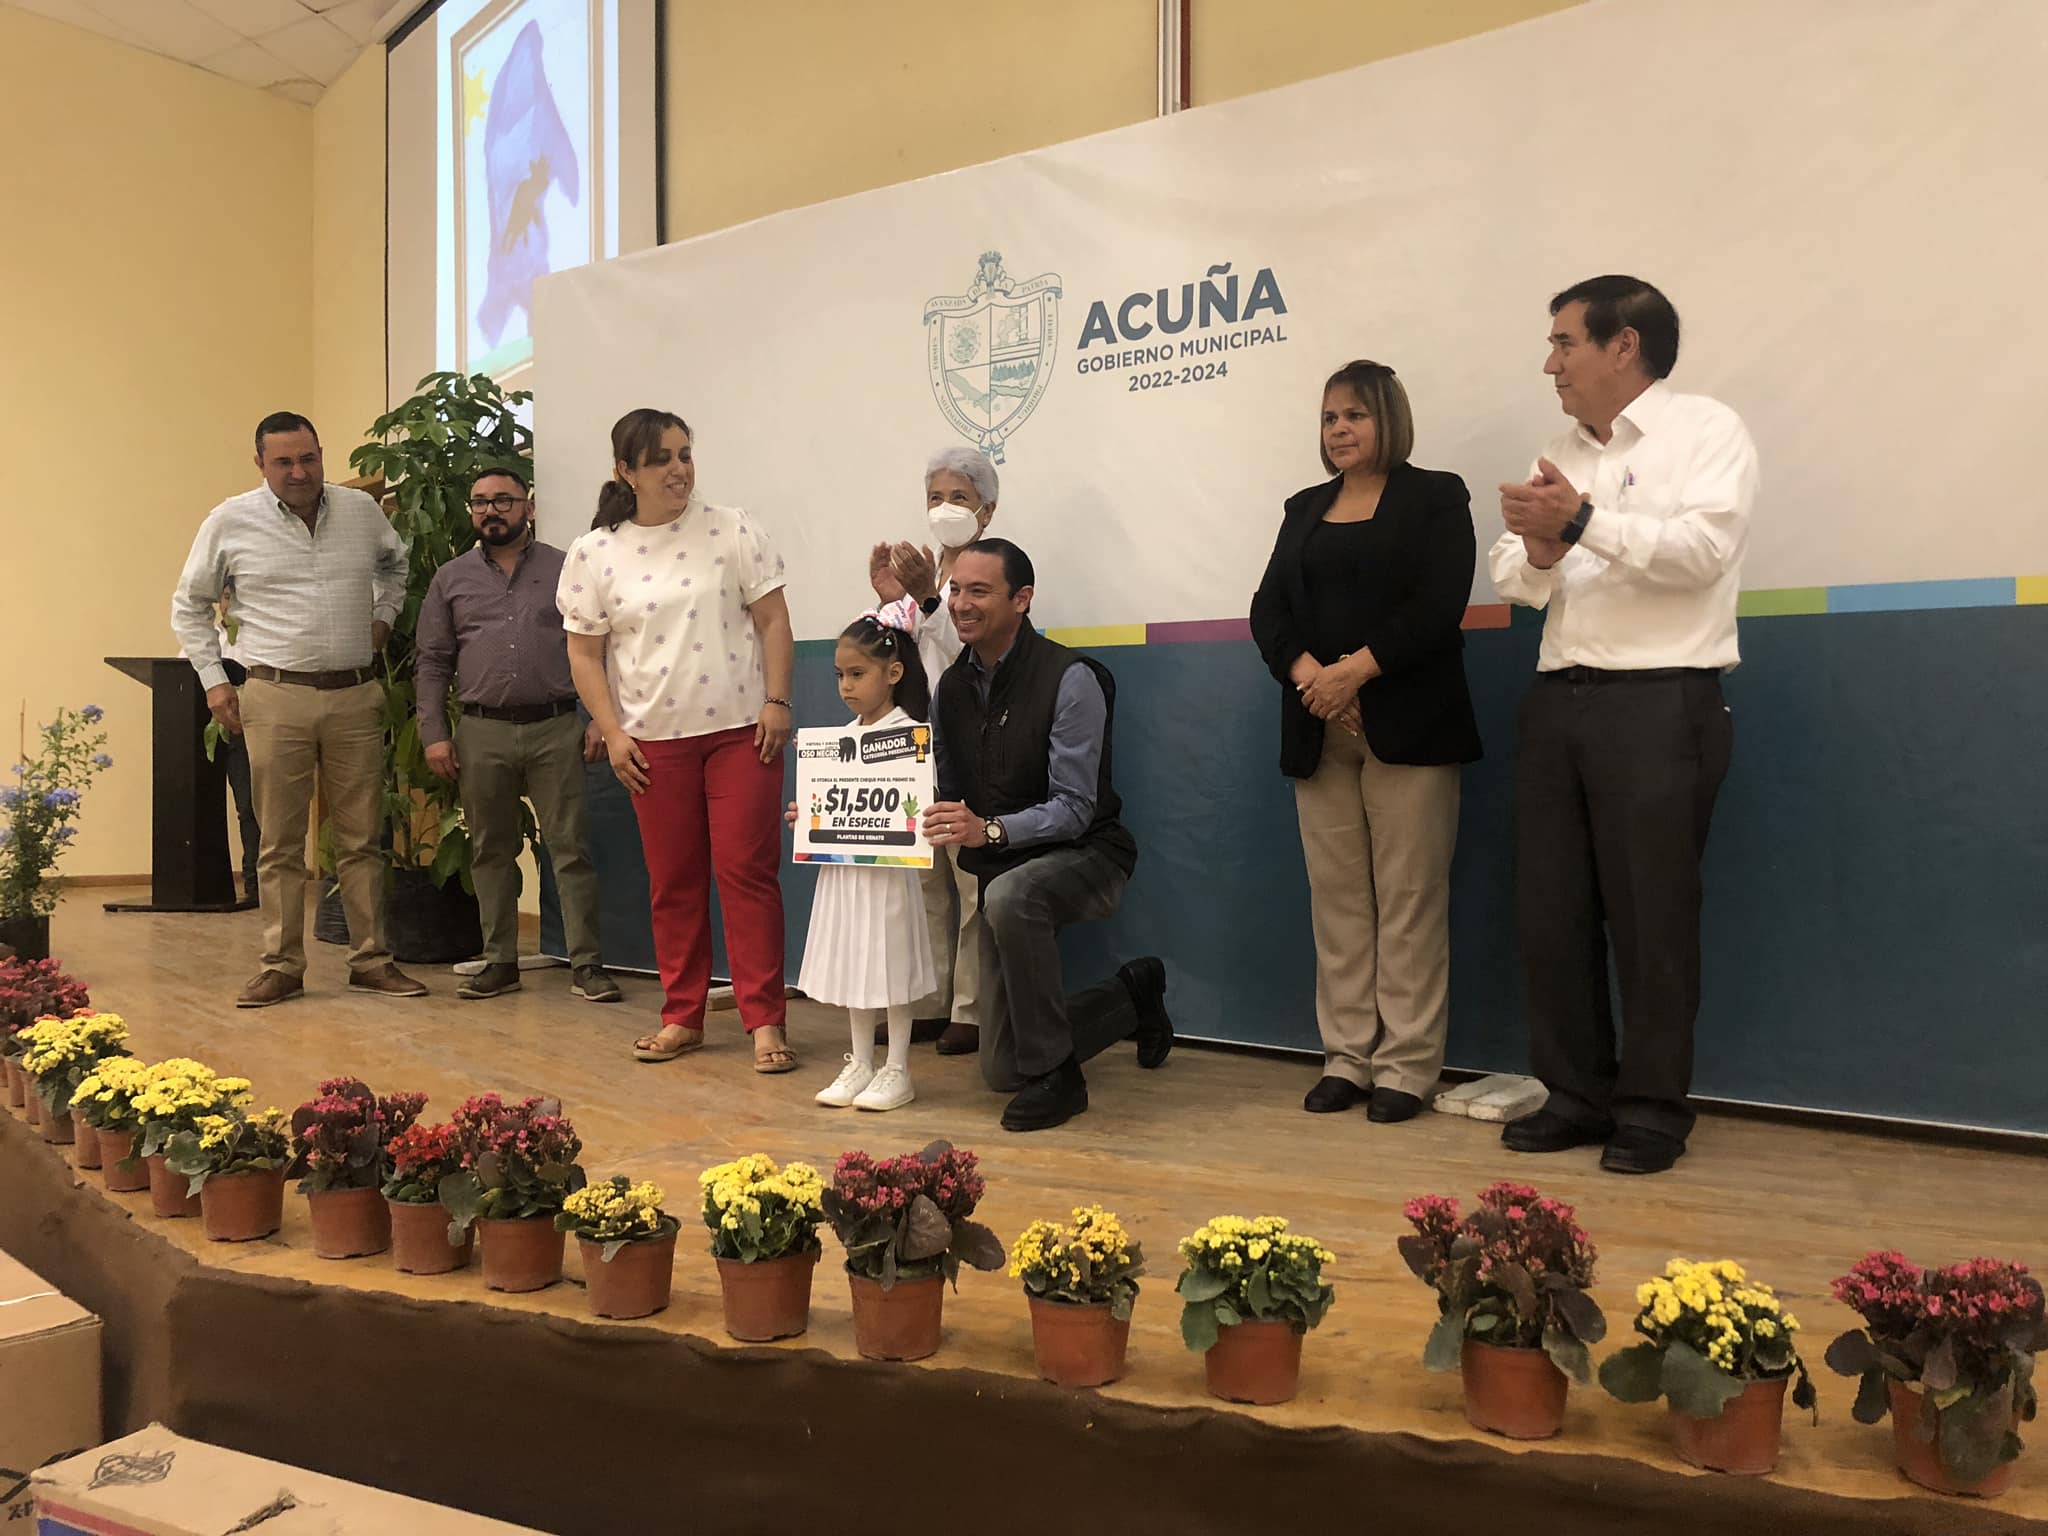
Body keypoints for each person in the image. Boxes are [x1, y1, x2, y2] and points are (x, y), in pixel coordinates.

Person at [1489, 275, 1757, 1175]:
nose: (1551, 364)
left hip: (1662, 699)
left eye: (1565, 342)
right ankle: (1574, 1094)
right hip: (1559, 696)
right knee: (1551, 912)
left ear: (1624, 345)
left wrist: (1584, 520)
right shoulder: (1559, 452)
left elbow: (1703, 553)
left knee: (1653, 917)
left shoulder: (1706, 431)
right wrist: (1539, 549)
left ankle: (1651, 1109)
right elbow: (1512, 574)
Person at [1250, 360, 1481, 1124]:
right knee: (1339, 902)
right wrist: (1313, 679)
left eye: (1355, 415)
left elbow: (1438, 606)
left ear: (1389, 419)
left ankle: (1407, 1067)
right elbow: (1268, 609)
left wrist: (1353, 673)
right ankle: (1346, 1059)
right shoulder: (1304, 508)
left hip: (1411, 726)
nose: (1340, 429)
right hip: (1318, 727)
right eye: (1329, 418)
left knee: (1410, 901)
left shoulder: (1437, 497)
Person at [559, 408, 797, 1071]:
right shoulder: (594, 553)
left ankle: (765, 1021)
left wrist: (778, 700)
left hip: (741, 734)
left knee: (747, 875)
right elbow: (584, 654)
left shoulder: (733, 528)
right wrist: (613, 733)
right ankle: (682, 1016)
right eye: (661, 458)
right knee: (674, 883)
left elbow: (773, 620)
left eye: (685, 454)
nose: (678, 469)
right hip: (652, 744)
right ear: (625, 472)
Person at [171, 411, 427, 1007]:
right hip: (275, 695)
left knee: (362, 838)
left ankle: (371, 961)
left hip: (355, 694)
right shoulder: (230, 519)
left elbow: (396, 564)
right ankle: (281, 965)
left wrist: (384, 616)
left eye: (308, 458)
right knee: (280, 841)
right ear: (260, 463)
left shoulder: (361, 511)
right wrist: (214, 681)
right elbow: (190, 604)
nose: (298, 471)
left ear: (321, 454)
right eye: (283, 461)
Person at [925, 537, 1173, 1132]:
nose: (960, 604)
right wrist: (829, 818)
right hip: (1003, 868)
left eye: (979, 590)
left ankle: (1061, 1081)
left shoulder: (1071, 677)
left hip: (1088, 855)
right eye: (955, 589)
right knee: (1003, 1068)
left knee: (1013, 897)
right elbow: (939, 797)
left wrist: (988, 830)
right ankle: (1132, 997)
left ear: (1022, 599)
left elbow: (1075, 809)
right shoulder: (949, 689)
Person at [415, 468, 622, 1005]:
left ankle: (587, 964)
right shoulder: (451, 579)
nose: (491, 511)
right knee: (490, 850)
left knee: (571, 849)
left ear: (528, 508)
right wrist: (435, 733)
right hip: (481, 730)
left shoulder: (565, 567)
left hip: (557, 726)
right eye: (480, 502)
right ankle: (500, 961)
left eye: (503, 500)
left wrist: (601, 718)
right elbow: (433, 661)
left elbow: (602, 645)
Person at [865, 446, 999, 1056]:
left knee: (970, 885)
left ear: (986, 510)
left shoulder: (993, 569)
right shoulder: (922, 577)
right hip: (912, 747)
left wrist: (926, 601)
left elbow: (972, 648)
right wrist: (888, 600)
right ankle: (926, 1004)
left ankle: (971, 1009)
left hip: (970, 747)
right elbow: (893, 658)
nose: (945, 508)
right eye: (935, 497)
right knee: (922, 887)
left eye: (959, 498)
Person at [794, 612, 937, 1112]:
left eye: (857, 674)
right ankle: (860, 1061)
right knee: (855, 956)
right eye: (840, 675)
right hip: (844, 869)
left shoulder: (910, 735)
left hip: (888, 874)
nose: (846, 686)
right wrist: (807, 814)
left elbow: (921, 801)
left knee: (890, 959)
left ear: (893, 673)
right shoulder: (839, 740)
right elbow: (827, 802)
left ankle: (897, 1067)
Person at [215, 584, 260, 902]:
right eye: (227, 597)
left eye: (236, 596)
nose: (230, 604)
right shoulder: (208, 640)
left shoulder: (257, 639)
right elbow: (178, 674)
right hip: (208, 735)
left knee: (251, 808)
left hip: (247, 731)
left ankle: (255, 883)